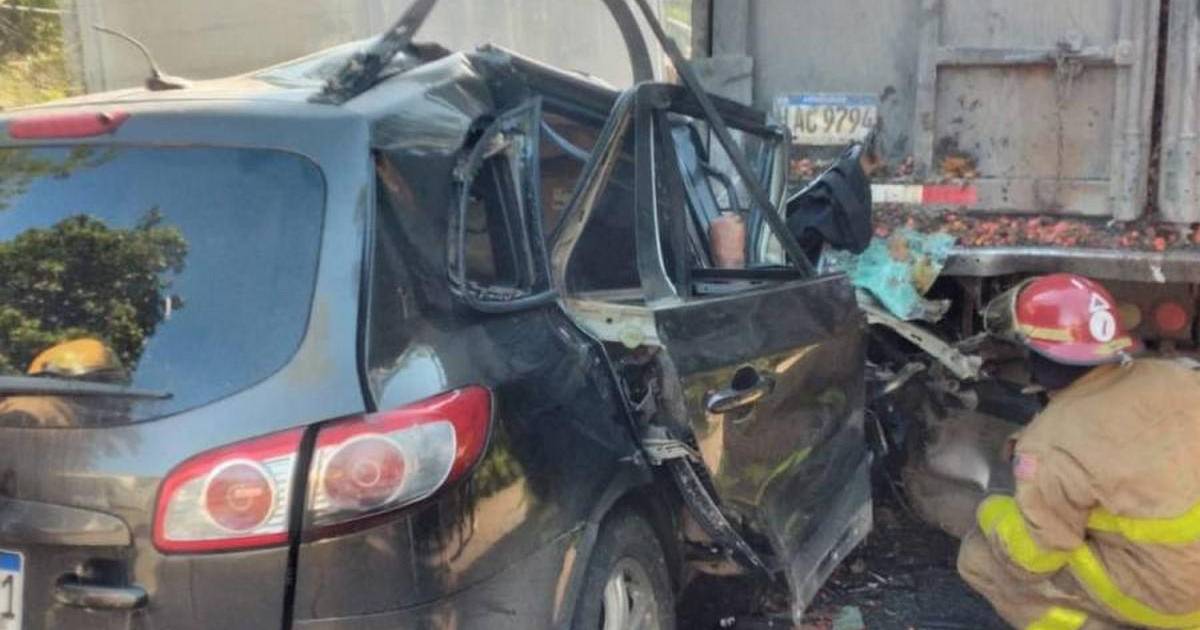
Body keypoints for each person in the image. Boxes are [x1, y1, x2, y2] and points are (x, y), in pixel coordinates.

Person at [958, 273, 1200, 630]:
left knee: (979, 559)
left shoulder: (1051, 445)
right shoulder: (1174, 375)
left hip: (1178, 601)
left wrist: (992, 510)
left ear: (1036, 357)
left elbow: (1033, 561)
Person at [0, 338, 126, 427]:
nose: (107, 398)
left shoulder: (99, 426)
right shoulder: (33, 412)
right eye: (93, 380)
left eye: (109, 382)